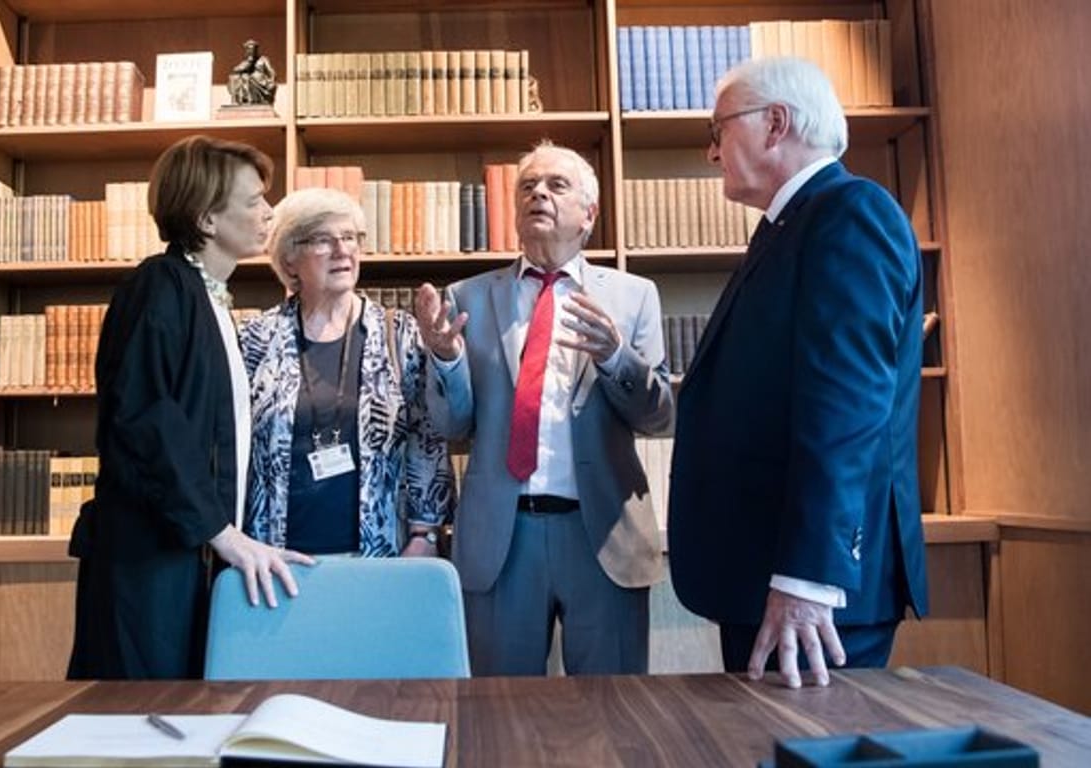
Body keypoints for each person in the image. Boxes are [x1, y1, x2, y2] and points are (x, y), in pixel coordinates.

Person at [667, 57, 928, 689]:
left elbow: (846, 410)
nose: (711, 153)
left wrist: (809, 580)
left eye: (718, 129)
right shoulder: (788, 227)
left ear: (775, 123)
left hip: (810, 593)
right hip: (766, 576)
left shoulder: (849, 215)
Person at [414, 142, 674, 676]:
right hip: (502, 539)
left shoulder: (633, 296)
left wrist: (615, 357)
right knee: (498, 715)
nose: (539, 194)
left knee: (613, 714)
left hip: (601, 535)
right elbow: (451, 424)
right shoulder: (467, 297)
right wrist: (444, 360)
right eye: (527, 187)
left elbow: (658, 417)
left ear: (590, 213)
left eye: (557, 185)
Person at [67, 135, 314, 680]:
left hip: (184, 552)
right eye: (253, 202)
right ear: (206, 220)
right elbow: (145, 423)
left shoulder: (209, 297)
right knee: (141, 721)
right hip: (148, 563)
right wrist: (222, 533)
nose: (268, 212)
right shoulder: (161, 286)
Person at [240, 188, 454, 557]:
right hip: (275, 558)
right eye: (323, 240)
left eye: (350, 237)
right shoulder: (256, 340)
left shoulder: (398, 333)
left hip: (381, 553)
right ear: (289, 260)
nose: (342, 250)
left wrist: (426, 534)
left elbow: (427, 437)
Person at [228, 39, 277, 106]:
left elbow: (271, 71)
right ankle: (239, 100)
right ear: (247, 51)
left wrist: (272, 80)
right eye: (249, 49)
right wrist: (249, 62)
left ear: (256, 50)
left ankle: (250, 100)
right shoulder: (246, 61)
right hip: (249, 80)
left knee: (245, 77)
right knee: (236, 77)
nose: (252, 51)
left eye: (253, 49)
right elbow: (236, 69)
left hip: (260, 81)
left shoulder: (263, 59)